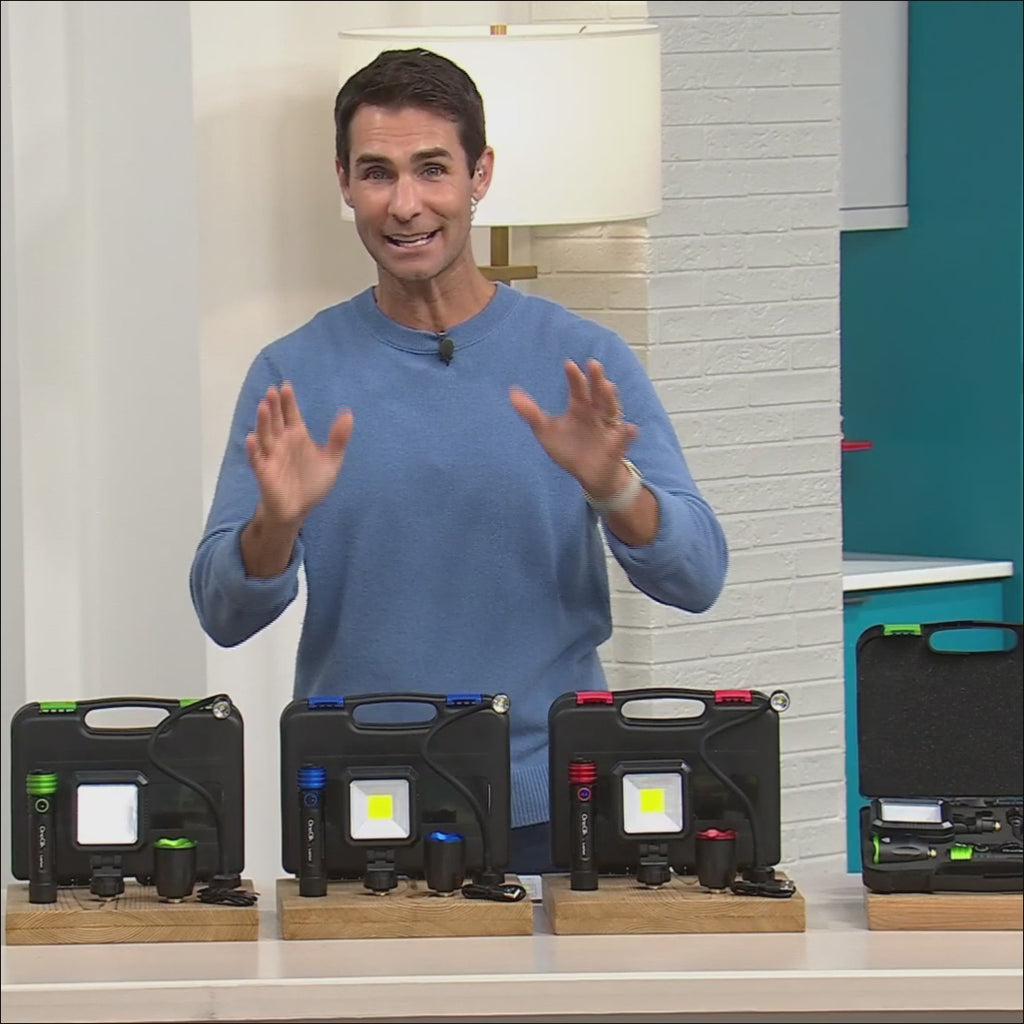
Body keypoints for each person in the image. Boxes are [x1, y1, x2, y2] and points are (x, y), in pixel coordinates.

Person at [189, 47, 728, 875]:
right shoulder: (292, 373)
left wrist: (614, 487)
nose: (405, 204)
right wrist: (276, 524)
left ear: (481, 175)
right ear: (344, 183)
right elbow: (223, 613)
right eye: (377, 173)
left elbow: (697, 577)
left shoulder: (581, 359)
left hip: (554, 804)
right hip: (359, 796)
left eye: (432, 169)